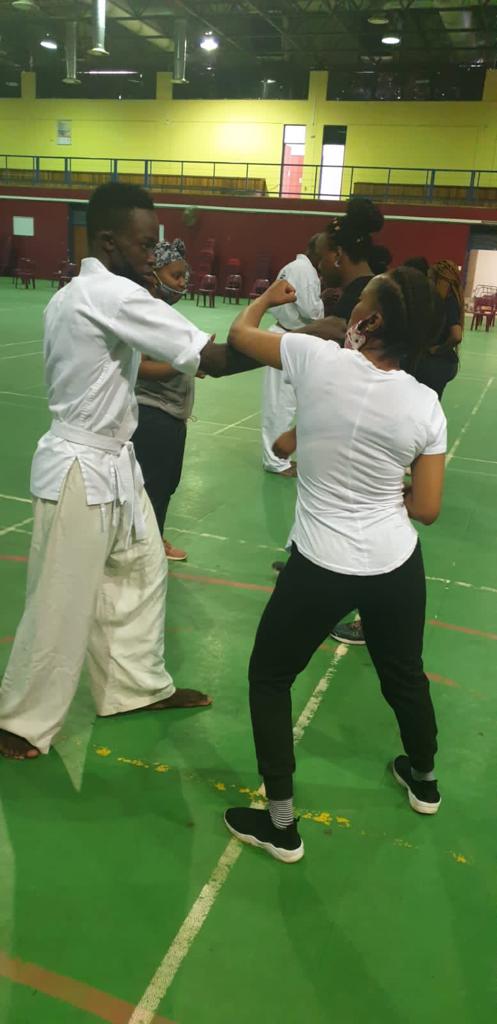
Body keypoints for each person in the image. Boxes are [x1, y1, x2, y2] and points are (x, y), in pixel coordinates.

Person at [0, 182, 260, 761]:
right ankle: (19, 721)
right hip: (80, 466)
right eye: (144, 245)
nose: (153, 255)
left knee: (141, 571)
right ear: (109, 242)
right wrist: (296, 346)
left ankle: (132, 688)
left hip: (116, 461)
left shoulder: (77, 293)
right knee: (60, 599)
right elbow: (212, 360)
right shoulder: (111, 293)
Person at [223, 268, 446, 864]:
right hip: (394, 564)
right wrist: (384, 493)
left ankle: (281, 823)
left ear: (369, 321)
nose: (350, 311)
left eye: (358, 303)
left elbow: (240, 334)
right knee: (405, 675)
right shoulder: (424, 404)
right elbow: (427, 508)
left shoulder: (315, 358)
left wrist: (267, 298)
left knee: (271, 677)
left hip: (320, 563)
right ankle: (424, 781)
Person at [132, 238, 198, 563]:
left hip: (171, 414)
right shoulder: (144, 314)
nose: (183, 283)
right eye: (175, 276)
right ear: (154, 274)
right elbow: (139, 368)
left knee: (166, 484)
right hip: (152, 414)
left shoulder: (164, 314)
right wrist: (185, 363)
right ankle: (147, 548)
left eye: (185, 276)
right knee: (153, 486)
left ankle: (154, 537)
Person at [261, 234, 324, 477]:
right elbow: (310, 310)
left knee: (285, 402)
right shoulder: (303, 270)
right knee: (280, 404)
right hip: (286, 339)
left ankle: (279, 458)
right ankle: (275, 461)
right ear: (315, 249)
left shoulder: (296, 267)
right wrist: (323, 306)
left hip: (289, 336)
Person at [411, 259, 464, 400]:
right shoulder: (451, 300)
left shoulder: (447, 302)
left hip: (436, 364)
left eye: (430, 278)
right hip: (443, 363)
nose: (428, 281)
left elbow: (456, 336)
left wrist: (438, 349)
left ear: (440, 280)